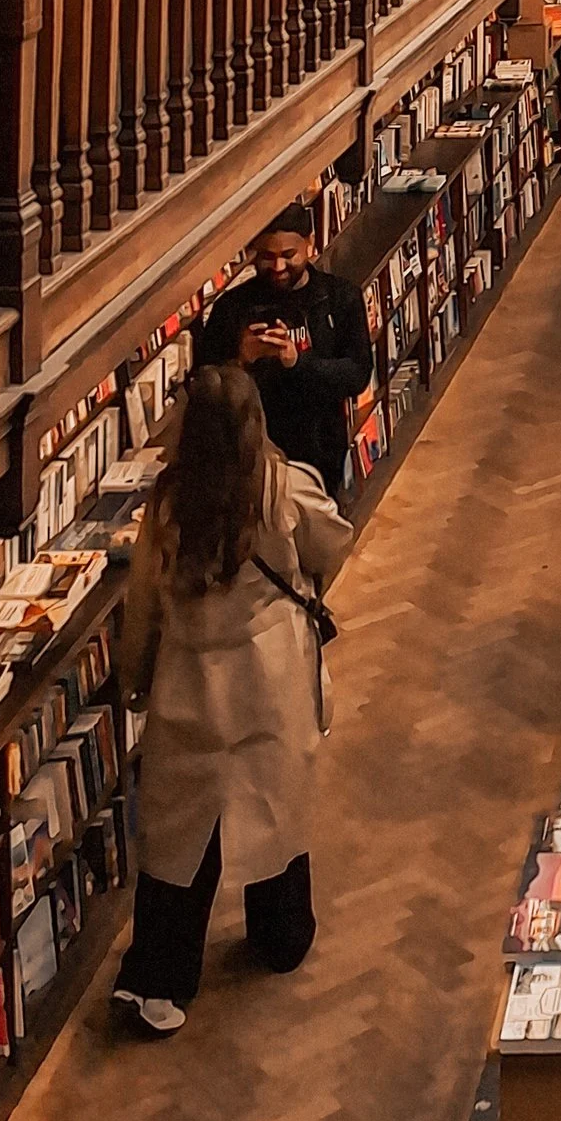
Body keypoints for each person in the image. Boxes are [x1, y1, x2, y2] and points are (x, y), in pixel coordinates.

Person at [112, 364, 351, 1033]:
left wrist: (134, 677)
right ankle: (282, 936)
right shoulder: (282, 486)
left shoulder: (167, 503)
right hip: (267, 676)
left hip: (192, 683)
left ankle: (160, 975)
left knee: (183, 834)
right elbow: (333, 539)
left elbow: (144, 605)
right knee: (275, 804)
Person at [195, 205, 374, 506]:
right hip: (250, 456)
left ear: (310, 244)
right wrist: (240, 360)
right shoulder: (232, 308)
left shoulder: (340, 297)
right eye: (266, 256)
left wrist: (297, 362)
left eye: (289, 255)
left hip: (319, 452)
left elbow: (357, 374)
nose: (278, 267)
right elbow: (202, 388)